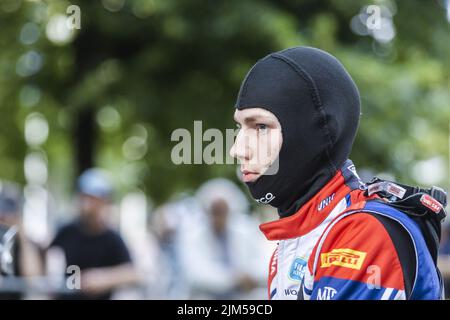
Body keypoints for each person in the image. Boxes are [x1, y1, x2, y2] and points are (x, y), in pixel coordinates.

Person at [230, 46, 445, 300]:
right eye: (239, 126)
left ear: (315, 133)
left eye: (261, 127)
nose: (237, 149)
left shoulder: (363, 233)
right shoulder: (299, 235)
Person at [48, 169, 139, 299]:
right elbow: (47, 258)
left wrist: (104, 278)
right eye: (85, 198)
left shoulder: (112, 239)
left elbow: (133, 273)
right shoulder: (66, 232)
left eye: (95, 200)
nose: (88, 206)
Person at [177, 179, 269, 299]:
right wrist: (234, 278)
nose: (218, 217)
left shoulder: (245, 230)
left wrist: (250, 275)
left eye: (222, 212)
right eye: (214, 212)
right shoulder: (192, 234)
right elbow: (196, 274)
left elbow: (265, 264)